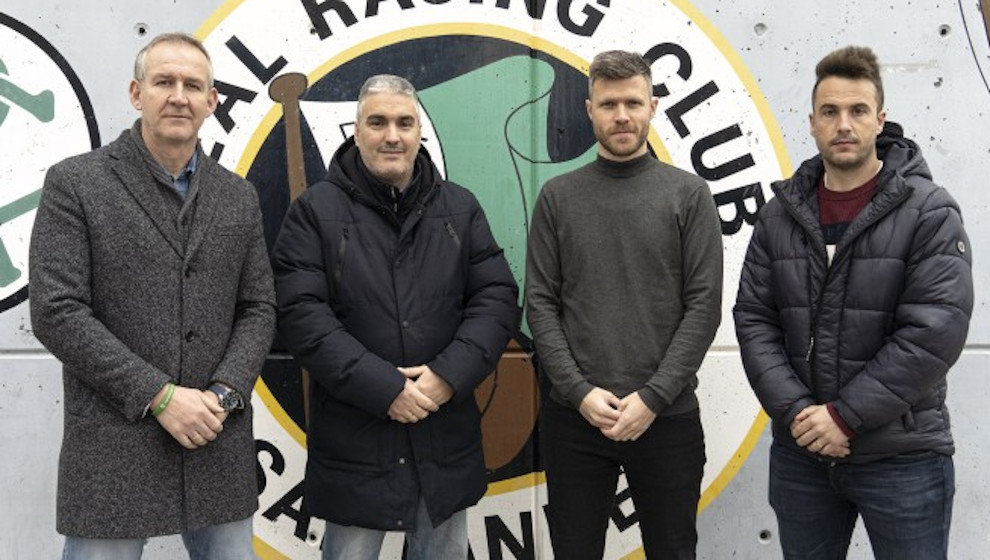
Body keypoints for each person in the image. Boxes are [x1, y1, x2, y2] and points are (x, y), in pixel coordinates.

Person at [29, 33, 276, 559]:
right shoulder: (76, 183)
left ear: (212, 102)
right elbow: (57, 310)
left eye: (194, 85)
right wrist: (159, 395)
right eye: (165, 82)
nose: (179, 96)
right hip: (115, 443)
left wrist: (225, 394)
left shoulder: (238, 196)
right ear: (137, 93)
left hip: (216, 435)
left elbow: (258, 306)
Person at [734, 45, 973, 560]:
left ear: (879, 120)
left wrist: (843, 417)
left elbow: (934, 332)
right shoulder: (780, 216)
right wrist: (801, 415)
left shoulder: (928, 211)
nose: (844, 124)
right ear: (813, 124)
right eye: (830, 112)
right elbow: (754, 320)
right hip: (803, 457)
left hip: (903, 458)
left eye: (857, 111)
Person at [271, 74, 518, 560]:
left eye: (405, 122)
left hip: (442, 436)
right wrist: (384, 388)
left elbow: (496, 298)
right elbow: (300, 315)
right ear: (357, 131)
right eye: (378, 121)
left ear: (419, 131)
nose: (392, 135)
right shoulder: (314, 212)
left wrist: (446, 378)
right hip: (356, 444)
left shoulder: (459, 208)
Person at [526, 50, 723, 559]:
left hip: (667, 418)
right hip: (575, 419)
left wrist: (653, 398)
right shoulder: (557, 197)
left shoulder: (689, 195)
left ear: (652, 106)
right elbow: (541, 304)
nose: (621, 116)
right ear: (589, 108)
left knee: (673, 550)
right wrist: (578, 392)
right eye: (609, 103)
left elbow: (703, 308)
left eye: (633, 102)